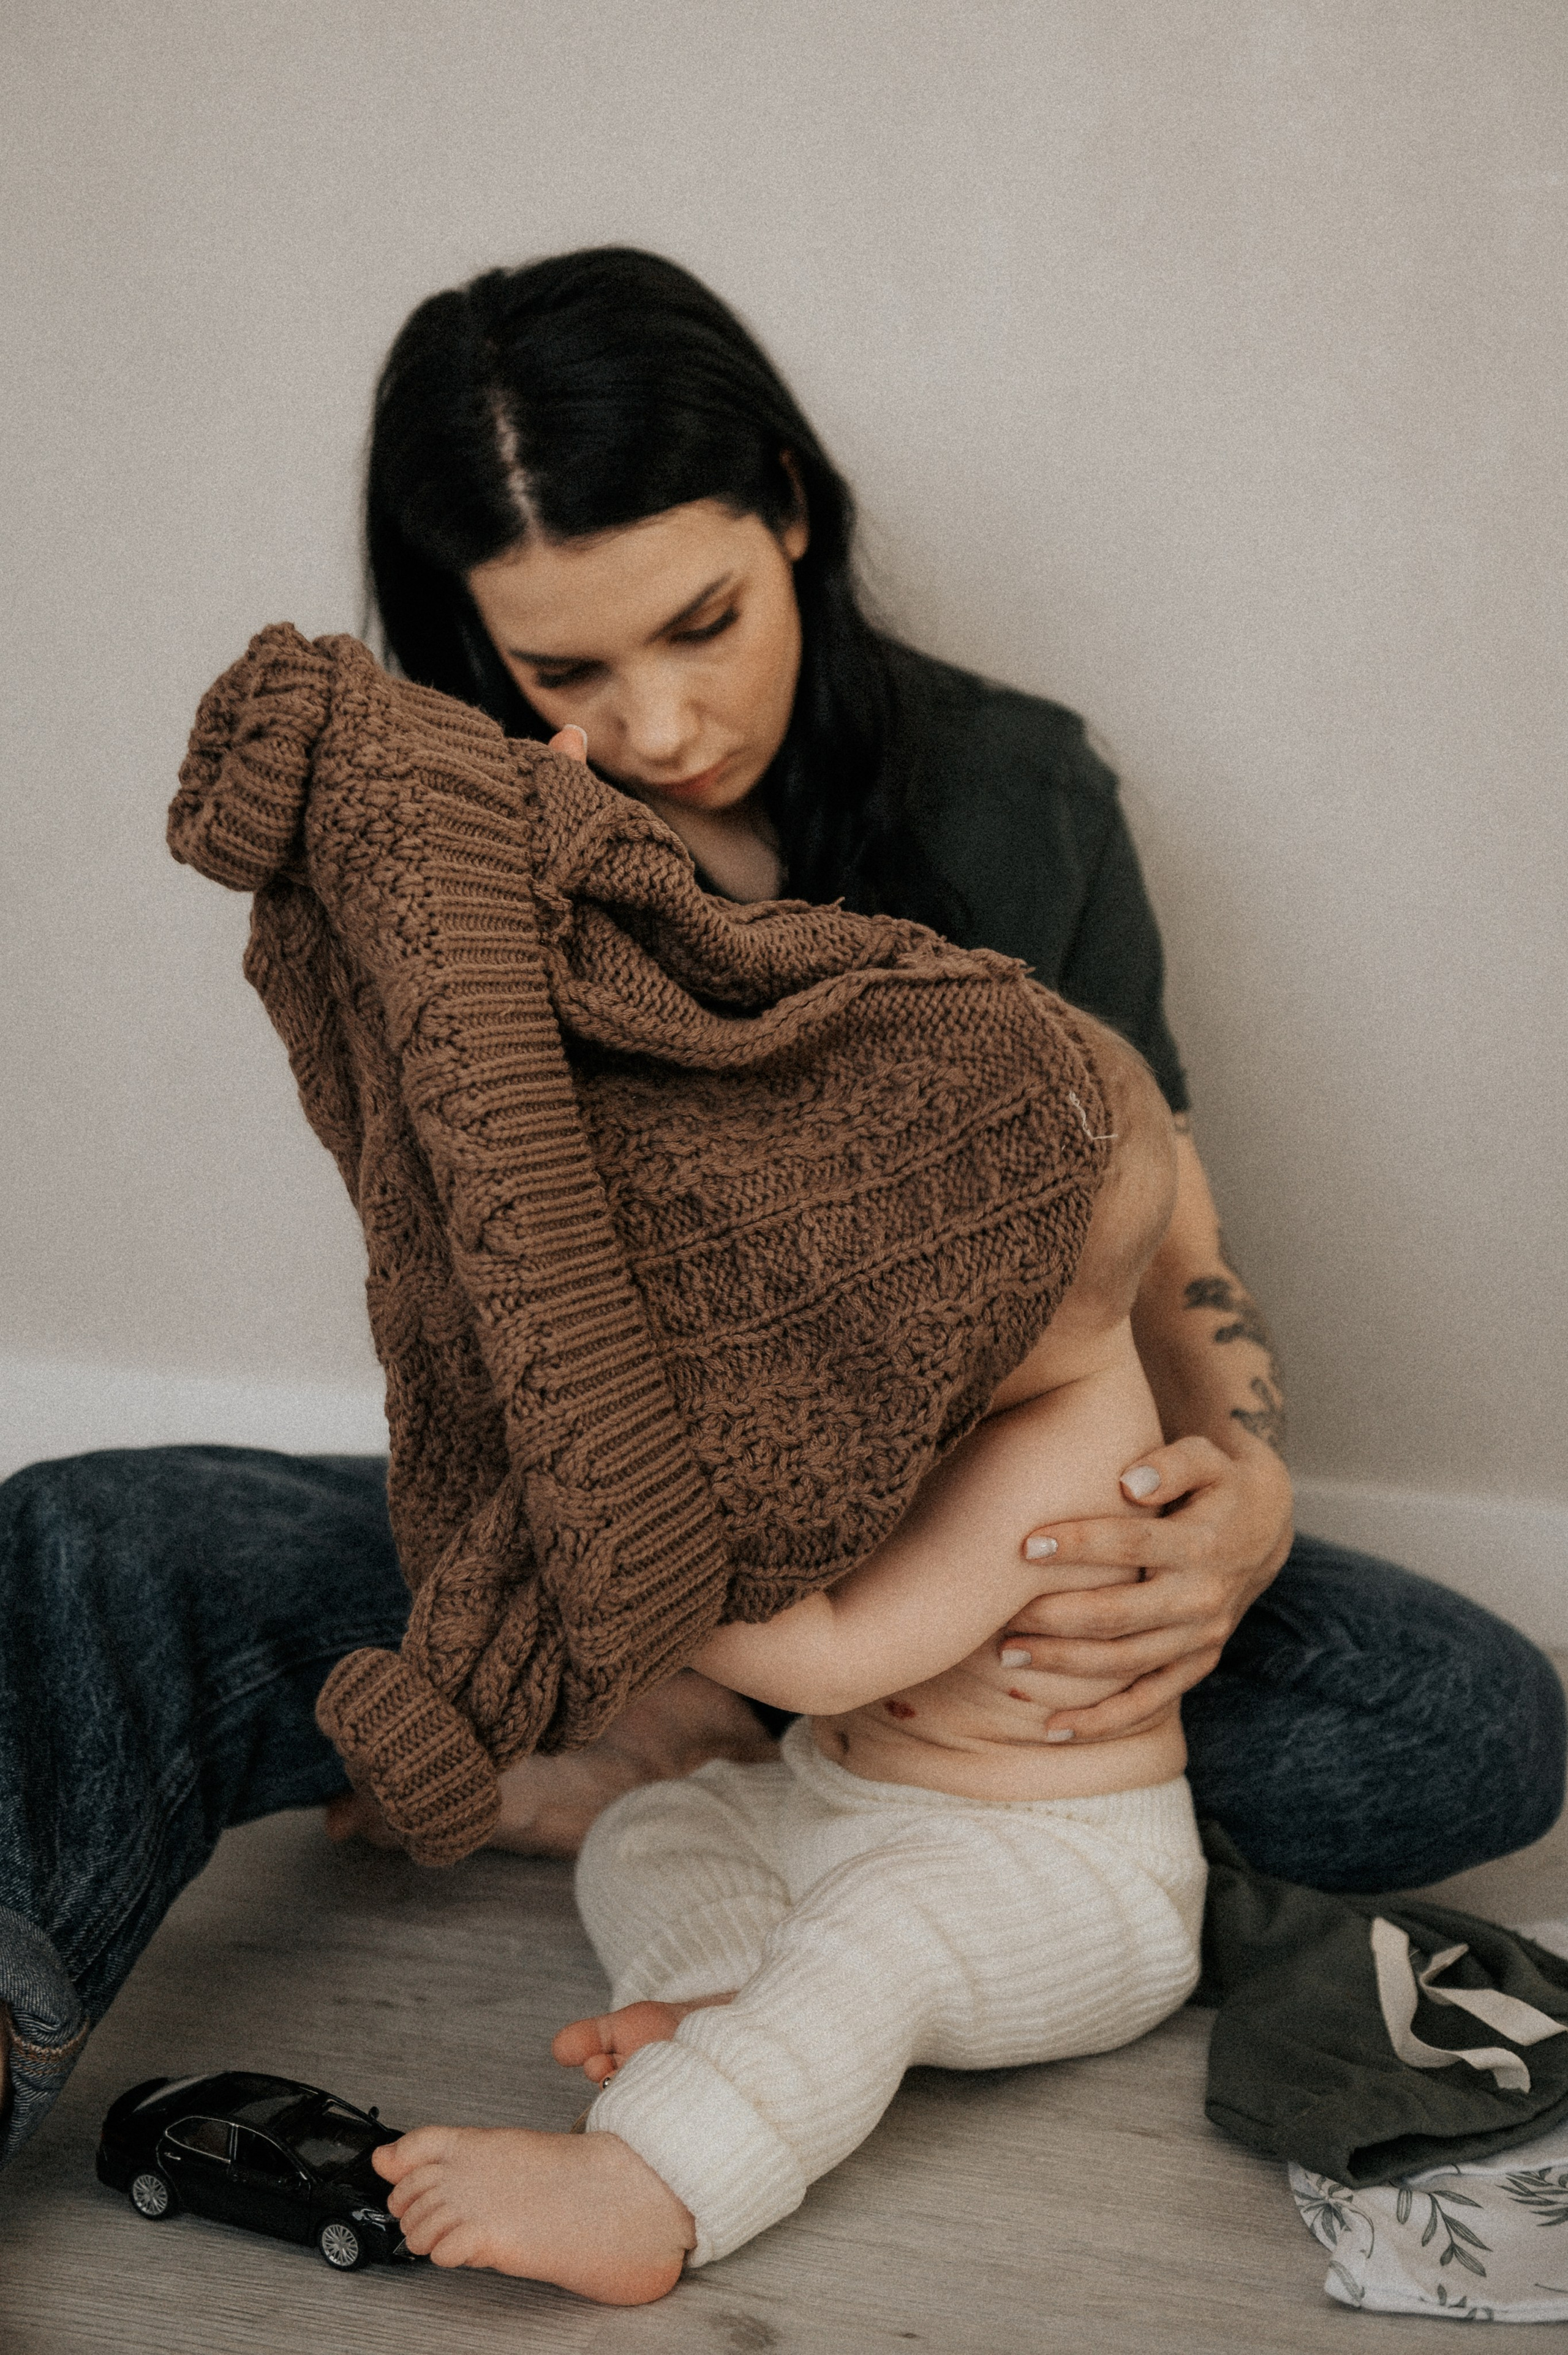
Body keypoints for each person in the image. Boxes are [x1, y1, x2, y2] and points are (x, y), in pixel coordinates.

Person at [0, 245, 1560, 2166]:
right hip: (595, 1526)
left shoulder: (1013, 796)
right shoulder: (460, 871)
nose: (658, 728)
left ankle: (912, 1849)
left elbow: (1156, 1205)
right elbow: (464, 1285)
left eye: (703, 621)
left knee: (1464, 1708)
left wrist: (1238, 1497)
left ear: (793, 513)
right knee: (87, 1539)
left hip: (968, 1572)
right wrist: (614, 1611)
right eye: (562, 669)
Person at [372, 1023, 1208, 2301]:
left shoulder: (1067, 1446)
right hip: (842, 1807)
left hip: (1058, 1877)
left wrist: (612, 1548)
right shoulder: (941, 1397)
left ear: (1058, 1300)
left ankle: (655, 2183)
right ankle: (722, 1993)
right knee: (649, 1830)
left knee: (882, 1930)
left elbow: (820, 1664)